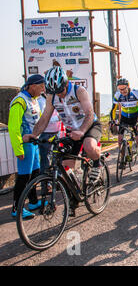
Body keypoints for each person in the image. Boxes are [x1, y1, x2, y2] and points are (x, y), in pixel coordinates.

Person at [23, 66, 103, 216]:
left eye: (61, 90)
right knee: (65, 166)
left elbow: (90, 114)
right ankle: (75, 194)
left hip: (89, 125)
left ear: (66, 83)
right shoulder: (51, 96)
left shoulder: (79, 91)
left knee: (89, 145)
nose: (59, 94)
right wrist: (34, 134)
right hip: (72, 131)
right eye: (55, 92)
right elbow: (45, 118)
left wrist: (82, 131)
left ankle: (97, 164)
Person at [8, 74, 45, 219]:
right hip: (25, 144)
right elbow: (13, 127)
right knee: (24, 176)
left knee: (35, 173)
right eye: (41, 86)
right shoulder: (20, 101)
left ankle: (33, 202)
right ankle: (16, 208)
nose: (43, 89)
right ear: (33, 85)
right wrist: (18, 149)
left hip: (34, 143)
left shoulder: (35, 100)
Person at [110, 78, 138, 175]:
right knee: (120, 139)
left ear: (128, 86)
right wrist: (113, 120)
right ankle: (122, 158)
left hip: (135, 118)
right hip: (124, 118)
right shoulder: (118, 95)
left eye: (124, 89)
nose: (122, 92)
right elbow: (113, 109)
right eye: (120, 89)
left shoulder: (135, 93)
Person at [37, 92, 61, 175]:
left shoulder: (55, 100)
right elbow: (42, 119)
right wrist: (57, 118)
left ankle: (56, 182)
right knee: (45, 159)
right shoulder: (41, 101)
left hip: (56, 132)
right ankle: (45, 184)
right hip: (46, 133)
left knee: (56, 158)